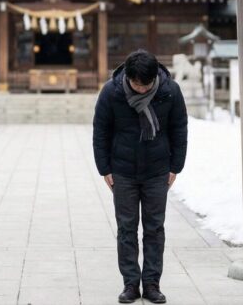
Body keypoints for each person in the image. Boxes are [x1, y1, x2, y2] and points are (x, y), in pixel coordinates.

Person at [92, 49, 189, 304]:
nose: (143, 90)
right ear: (128, 76)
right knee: (126, 228)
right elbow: (100, 131)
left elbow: (179, 128)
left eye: (147, 85)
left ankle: (152, 283)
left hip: (158, 170)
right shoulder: (111, 92)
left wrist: (175, 166)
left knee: (154, 228)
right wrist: (105, 169)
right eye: (137, 85)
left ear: (155, 76)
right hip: (122, 171)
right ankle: (130, 284)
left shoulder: (170, 91)